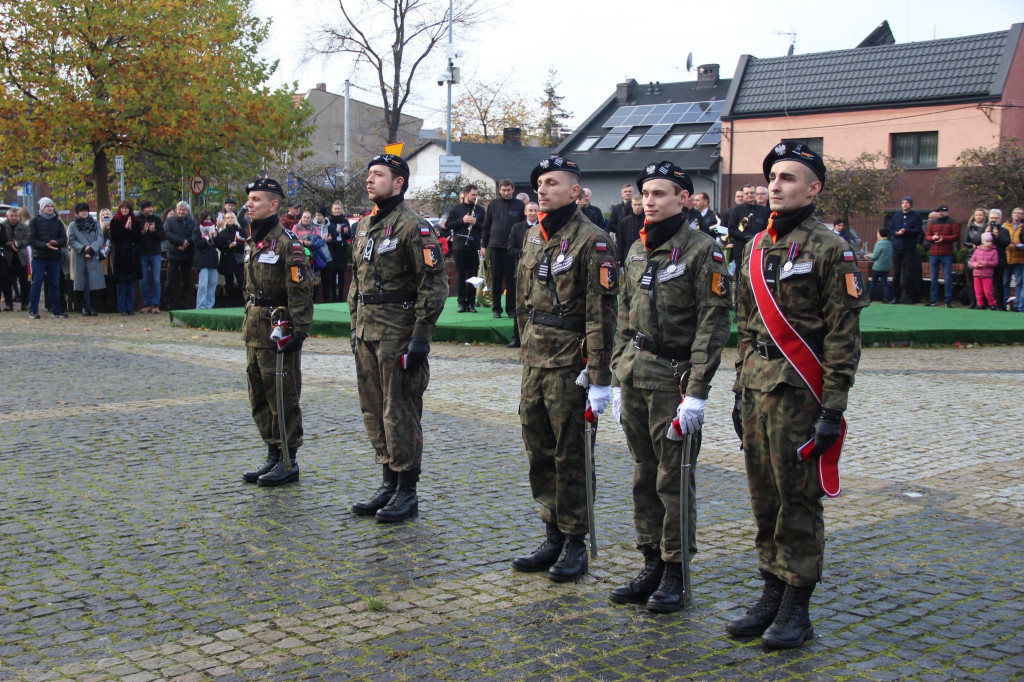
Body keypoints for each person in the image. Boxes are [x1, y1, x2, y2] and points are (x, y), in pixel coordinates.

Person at [727, 142, 868, 649]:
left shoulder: (831, 248)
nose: (775, 185)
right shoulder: (756, 246)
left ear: (814, 189)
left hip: (802, 395)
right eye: (772, 177)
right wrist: (739, 389)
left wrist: (833, 409)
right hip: (759, 388)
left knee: (798, 502)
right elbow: (745, 327)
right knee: (764, 498)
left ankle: (797, 608)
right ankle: (770, 592)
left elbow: (842, 338)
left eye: (788, 178)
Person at [608, 161, 732, 612]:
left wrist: (697, 391)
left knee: (673, 480)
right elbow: (624, 313)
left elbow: (712, 325)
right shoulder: (637, 249)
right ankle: (651, 563)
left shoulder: (704, 251)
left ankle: (676, 571)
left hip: (674, 380)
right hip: (637, 375)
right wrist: (619, 373)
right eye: (646, 193)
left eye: (661, 193)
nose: (650, 200)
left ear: (684, 198)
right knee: (644, 473)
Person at [512, 156, 619, 582]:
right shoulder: (533, 237)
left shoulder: (593, 242)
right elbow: (523, 300)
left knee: (571, 454)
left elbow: (601, 314)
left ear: (575, 192)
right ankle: (552, 531)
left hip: (570, 363)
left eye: (552, 183)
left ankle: (576, 540)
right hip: (535, 360)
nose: (542, 189)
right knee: (538, 448)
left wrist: (598, 376)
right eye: (539, 183)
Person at [347, 152, 448, 522]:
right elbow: (356, 282)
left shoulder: (414, 227)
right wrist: (355, 325)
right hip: (367, 333)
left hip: (399, 333)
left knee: (400, 411)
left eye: (378, 174)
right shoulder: (363, 227)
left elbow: (434, 285)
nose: (370, 180)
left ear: (399, 182)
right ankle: (388, 481)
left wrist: (420, 338)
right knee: (373, 410)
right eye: (369, 173)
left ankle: (407, 491)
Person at [240, 178, 314, 487]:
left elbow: (300, 290)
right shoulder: (253, 241)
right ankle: (272, 453)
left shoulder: (287, 242)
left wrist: (298, 330)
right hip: (255, 329)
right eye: (249, 199)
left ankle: (288, 459)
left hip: (278, 327)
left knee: (281, 396)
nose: (249, 204)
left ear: (274, 205)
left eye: (256, 199)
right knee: (258, 395)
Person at [481, 179, 525, 318]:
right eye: (503, 190)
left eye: (508, 190)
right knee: (496, 279)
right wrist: (483, 245)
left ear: (513, 190)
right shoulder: (493, 204)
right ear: (499, 190)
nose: (506, 193)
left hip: (511, 249)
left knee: (511, 280)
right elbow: (486, 226)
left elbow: (522, 227)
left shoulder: (519, 205)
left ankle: (511, 309)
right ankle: (496, 309)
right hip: (495, 247)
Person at [445, 184, 486, 313]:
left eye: (476, 195)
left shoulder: (480, 210)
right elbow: (448, 225)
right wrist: (462, 221)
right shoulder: (456, 209)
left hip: (474, 247)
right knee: (460, 276)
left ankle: (471, 303)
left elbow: (485, 227)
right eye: (473, 194)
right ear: (466, 194)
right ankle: (461, 303)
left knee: (473, 277)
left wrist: (475, 223)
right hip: (459, 247)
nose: (475, 197)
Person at [28, 197, 68, 318]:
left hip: (54, 257)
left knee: (54, 284)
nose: (50, 208)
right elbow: (32, 239)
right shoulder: (35, 221)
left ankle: (56, 310)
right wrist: (45, 245)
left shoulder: (57, 222)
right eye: (47, 206)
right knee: (36, 283)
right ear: (42, 208)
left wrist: (56, 242)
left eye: (51, 206)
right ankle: (33, 310)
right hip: (39, 257)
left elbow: (64, 239)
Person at [507, 201, 539, 349]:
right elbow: (510, 249)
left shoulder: (543, 228)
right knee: (519, 305)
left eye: (535, 211)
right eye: (530, 210)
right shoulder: (517, 228)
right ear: (525, 212)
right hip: (520, 273)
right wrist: (525, 255)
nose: (533, 213)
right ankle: (516, 337)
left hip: (539, 274)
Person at [721, 185, 771, 273]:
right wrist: (747, 236)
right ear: (743, 195)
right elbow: (731, 230)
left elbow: (767, 229)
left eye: (752, 192)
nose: (749, 195)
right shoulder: (736, 210)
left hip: (758, 249)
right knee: (740, 278)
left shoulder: (764, 211)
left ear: (755, 194)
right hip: (740, 251)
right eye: (747, 193)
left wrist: (758, 238)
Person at [67, 202, 105, 316]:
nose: (84, 212)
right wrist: (84, 249)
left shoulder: (95, 223)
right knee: (80, 282)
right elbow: (72, 240)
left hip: (92, 255)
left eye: (85, 210)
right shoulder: (73, 225)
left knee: (94, 282)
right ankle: (83, 306)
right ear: (77, 212)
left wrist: (92, 249)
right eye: (81, 211)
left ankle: (93, 306)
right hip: (80, 256)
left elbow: (100, 237)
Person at [110, 201, 143, 315]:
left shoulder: (135, 221)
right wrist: (125, 229)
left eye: (126, 209)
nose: (124, 211)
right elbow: (115, 237)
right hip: (121, 255)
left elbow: (138, 238)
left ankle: (130, 307)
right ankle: (122, 307)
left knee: (130, 283)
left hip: (132, 255)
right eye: (122, 209)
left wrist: (131, 229)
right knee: (121, 283)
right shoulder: (115, 221)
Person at [888, 197, 923, 304]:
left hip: (909, 247)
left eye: (907, 203)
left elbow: (918, 230)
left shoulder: (916, 216)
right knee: (896, 272)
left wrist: (906, 231)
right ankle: (895, 296)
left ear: (911, 205)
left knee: (908, 273)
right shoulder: (896, 215)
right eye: (903, 203)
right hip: (897, 246)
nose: (904, 205)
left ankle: (908, 296)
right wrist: (895, 233)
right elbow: (890, 229)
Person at [924, 205, 960, 308]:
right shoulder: (932, 223)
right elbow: (927, 236)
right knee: (934, 278)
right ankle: (933, 300)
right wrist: (933, 238)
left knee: (947, 278)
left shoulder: (952, 222)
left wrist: (943, 238)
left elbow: (956, 236)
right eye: (939, 211)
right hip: (934, 253)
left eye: (943, 211)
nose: (941, 213)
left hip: (946, 253)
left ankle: (948, 300)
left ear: (947, 212)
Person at [162, 202, 195, 310]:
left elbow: (194, 234)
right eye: (179, 209)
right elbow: (167, 233)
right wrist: (181, 242)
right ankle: (168, 302)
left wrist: (187, 243)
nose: (181, 212)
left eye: (183, 210)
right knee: (171, 279)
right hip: (174, 253)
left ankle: (183, 301)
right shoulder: (170, 221)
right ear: (176, 210)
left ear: (187, 211)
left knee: (186, 280)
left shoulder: (192, 222)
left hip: (187, 253)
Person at [136, 201, 165, 313]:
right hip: (142, 253)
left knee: (156, 279)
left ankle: (155, 304)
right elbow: (135, 237)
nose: (150, 209)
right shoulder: (138, 220)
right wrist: (143, 232)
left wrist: (154, 231)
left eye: (151, 207)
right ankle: (147, 303)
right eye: (148, 207)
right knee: (143, 280)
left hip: (155, 253)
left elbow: (163, 236)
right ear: (143, 209)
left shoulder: (157, 220)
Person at [215, 211, 248, 307]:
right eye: (228, 218)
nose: (230, 219)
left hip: (238, 260)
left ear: (235, 219)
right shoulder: (223, 233)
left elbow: (246, 244)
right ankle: (231, 302)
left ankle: (243, 302)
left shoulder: (241, 231)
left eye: (232, 218)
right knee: (228, 283)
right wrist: (228, 246)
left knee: (241, 281)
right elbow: (220, 246)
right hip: (227, 259)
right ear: (225, 220)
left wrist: (237, 244)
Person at [192, 211, 220, 309]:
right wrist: (207, 237)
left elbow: (219, 244)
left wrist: (216, 237)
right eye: (206, 219)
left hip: (213, 259)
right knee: (203, 284)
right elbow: (198, 244)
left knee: (213, 283)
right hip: (202, 260)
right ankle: (201, 306)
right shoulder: (197, 229)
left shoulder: (214, 229)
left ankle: (209, 305)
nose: (208, 221)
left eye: (209, 219)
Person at [326, 201, 351, 301]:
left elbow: (349, 236)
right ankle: (333, 298)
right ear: (332, 210)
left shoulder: (345, 221)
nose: (337, 210)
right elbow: (330, 236)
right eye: (335, 209)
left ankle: (341, 298)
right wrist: (337, 232)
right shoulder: (329, 221)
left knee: (341, 275)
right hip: (333, 249)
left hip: (342, 249)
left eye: (339, 209)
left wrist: (346, 232)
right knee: (332, 275)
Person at [986, 209, 1011, 309]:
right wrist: (985, 233)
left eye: (996, 218)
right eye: (992, 218)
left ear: (1000, 219)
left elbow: (1006, 242)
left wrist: (997, 236)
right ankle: (984, 304)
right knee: (985, 283)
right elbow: (977, 240)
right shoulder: (985, 228)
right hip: (986, 261)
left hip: (999, 260)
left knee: (999, 284)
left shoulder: (1004, 231)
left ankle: (1000, 305)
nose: (993, 220)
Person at [969, 232, 1000, 310]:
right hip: (977, 273)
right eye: (987, 241)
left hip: (987, 274)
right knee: (978, 291)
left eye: (990, 241)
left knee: (988, 291)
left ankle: (992, 304)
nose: (989, 243)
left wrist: (986, 263)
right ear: (983, 242)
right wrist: (977, 265)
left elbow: (995, 262)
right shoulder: (977, 251)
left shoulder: (994, 251)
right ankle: (980, 304)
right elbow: (972, 261)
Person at [963, 208, 987, 308]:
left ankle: (982, 302)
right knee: (971, 281)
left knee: (984, 281)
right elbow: (965, 242)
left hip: (983, 256)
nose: (978, 217)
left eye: (980, 215)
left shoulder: (986, 228)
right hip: (971, 255)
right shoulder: (970, 227)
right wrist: (973, 245)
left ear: (984, 216)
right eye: (977, 215)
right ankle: (973, 302)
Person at [615, 196, 645, 270]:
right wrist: (620, 261)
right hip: (628, 255)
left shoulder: (647, 221)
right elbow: (620, 242)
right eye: (635, 205)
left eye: (639, 204)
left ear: (643, 204)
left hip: (644, 256)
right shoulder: (624, 222)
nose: (637, 207)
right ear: (631, 205)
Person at [1003, 207, 1023, 312]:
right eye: (1016, 213)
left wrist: (1018, 246)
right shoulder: (1005, 225)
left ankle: (1017, 304)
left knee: (1019, 283)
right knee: (1005, 282)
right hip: (1007, 259)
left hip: (1020, 260)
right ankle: (1005, 303)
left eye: (1020, 213)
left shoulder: (1022, 227)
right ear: (1012, 214)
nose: (1017, 215)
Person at [865, 228, 893, 302]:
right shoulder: (889, 243)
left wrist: (868, 255)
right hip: (886, 266)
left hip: (878, 266)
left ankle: (870, 297)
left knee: (873, 282)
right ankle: (886, 298)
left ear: (880, 234)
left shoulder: (879, 244)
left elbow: (875, 256)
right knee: (885, 283)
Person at [0, 207, 17, 310]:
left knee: (4, 279)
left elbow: (3, 240)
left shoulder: (2, 227)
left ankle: (8, 302)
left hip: (1, 256)